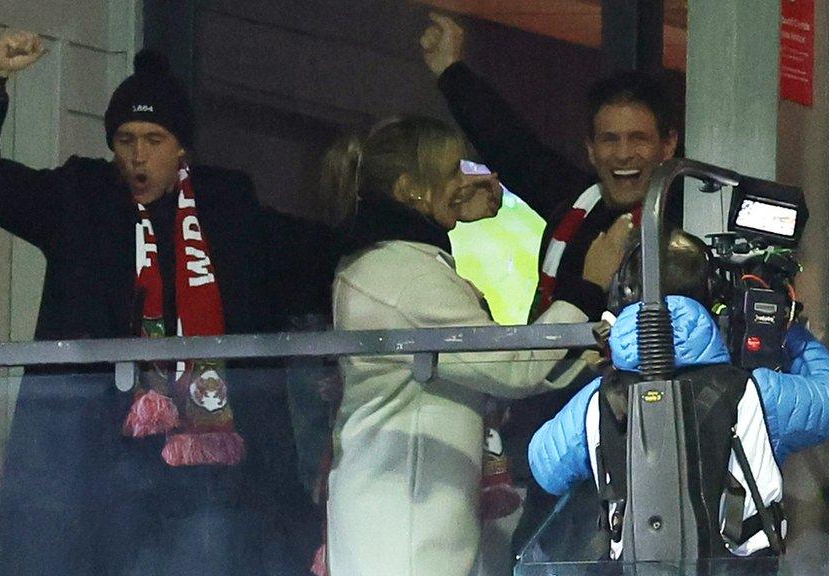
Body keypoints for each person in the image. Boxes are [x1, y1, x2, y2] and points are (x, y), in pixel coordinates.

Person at [0, 31, 328, 576]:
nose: (138, 156)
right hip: (89, 463)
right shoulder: (79, 199)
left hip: (206, 484)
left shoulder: (228, 212)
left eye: (154, 138)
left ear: (183, 147)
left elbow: (323, 260)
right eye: (125, 139)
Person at [420, 12, 675, 556]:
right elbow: (512, 146)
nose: (623, 154)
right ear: (589, 148)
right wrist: (449, 68)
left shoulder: (685, 238)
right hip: (543, 439)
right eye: (609, 139)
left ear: (667, 145)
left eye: (639, 139)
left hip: (635, 461)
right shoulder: (578, 204)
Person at [325, 116, 608, 576]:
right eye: (453, 171)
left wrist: (590, 354)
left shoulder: (394, 261)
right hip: (405, 522)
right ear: (411, 188)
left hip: (406, 511)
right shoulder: (402, 275)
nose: (466, 181)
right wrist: (588, 287)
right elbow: (511, 367)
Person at [529, 231, 829, 559]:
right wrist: (793, 334)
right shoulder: (757, 393)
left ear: (621, 299)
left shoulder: (597, 401)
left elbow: (544, 467)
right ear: (715, 298)